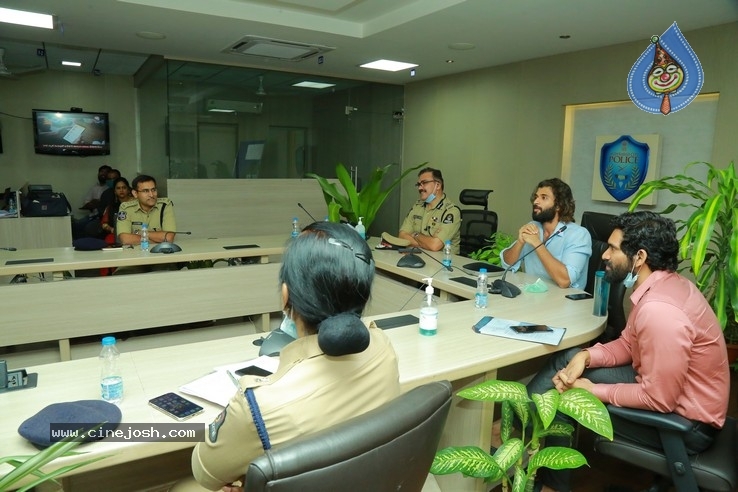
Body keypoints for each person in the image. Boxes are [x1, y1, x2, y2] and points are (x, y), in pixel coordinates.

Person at [172, 221, 401, 491]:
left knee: (182, 486)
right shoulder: (384, 348)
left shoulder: (257, 407)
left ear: (285, 296)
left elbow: (205, 471)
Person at [525, 211, 730, 492]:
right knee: (569, 358)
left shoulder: (660, 311)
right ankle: (526, 425)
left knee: (564, 396)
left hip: (686, 426)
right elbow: (627, 344)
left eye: (613, 248)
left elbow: (659, 399)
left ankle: (550, 484)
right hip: (671, 394)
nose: (605, 255)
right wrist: (586, 356)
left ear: (640, 257)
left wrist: (592, 390)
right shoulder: (664, 286)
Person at [500, 177, 591, 289]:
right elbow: (507, 265)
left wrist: (537, 244)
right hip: (533, 296)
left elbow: (565, 280)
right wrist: (520, 242)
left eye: (544, 198)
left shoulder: (579, 235)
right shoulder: (534, 226)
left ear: (558, 205)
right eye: (536, 197)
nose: (536, 201)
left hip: (565, 302)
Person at [397, 167, 461, 253]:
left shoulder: (451, 211)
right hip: (419, 257)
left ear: (437, 185)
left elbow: (434, 245)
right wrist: (427, 243)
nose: (420, 188)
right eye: (419, 184)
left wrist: (415, 234)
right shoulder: (417, 206)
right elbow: (402, 235)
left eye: (424, 183)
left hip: (444, 263)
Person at [116, 175, 176, 246]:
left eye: (153, 190)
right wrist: (159, 239)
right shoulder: (126, 208)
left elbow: (169, 237)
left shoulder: (165, 205)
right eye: (145, 191)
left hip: (160, 253)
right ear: (135, 193)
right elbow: (125, 239)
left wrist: (141, 233)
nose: (151, 195)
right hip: (135, 254)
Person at [100, 177, 134, 244]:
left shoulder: (136, 203)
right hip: (117, 234)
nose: (121, 190)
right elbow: (104, 224)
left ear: (128, 190)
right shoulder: (111, 206)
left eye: (124, 188)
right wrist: (112, 229)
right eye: (118, 188)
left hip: (135, 233)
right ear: (115, 191)